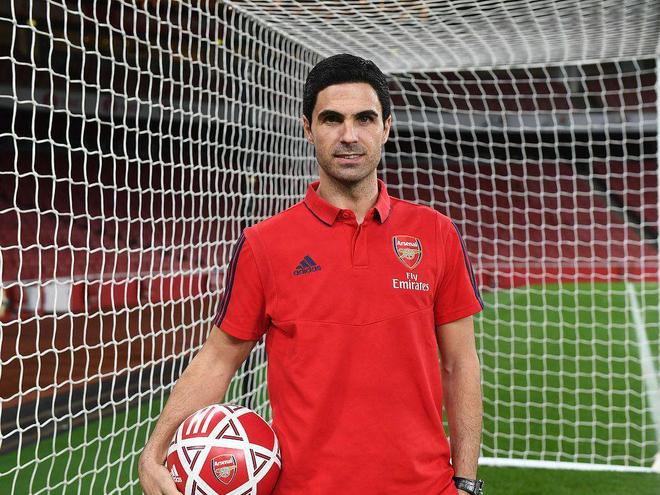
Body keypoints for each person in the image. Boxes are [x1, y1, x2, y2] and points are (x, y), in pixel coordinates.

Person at [139, 53, 484, 495]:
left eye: (364, 119)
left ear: (386, 127)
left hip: (425, 488)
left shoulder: (435, 233)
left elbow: (460, 363)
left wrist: (466, 482)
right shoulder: (264, 244)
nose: (349, 135)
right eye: (331, 119)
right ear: (307, 128)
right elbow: (219, 358)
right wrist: (154, 452)